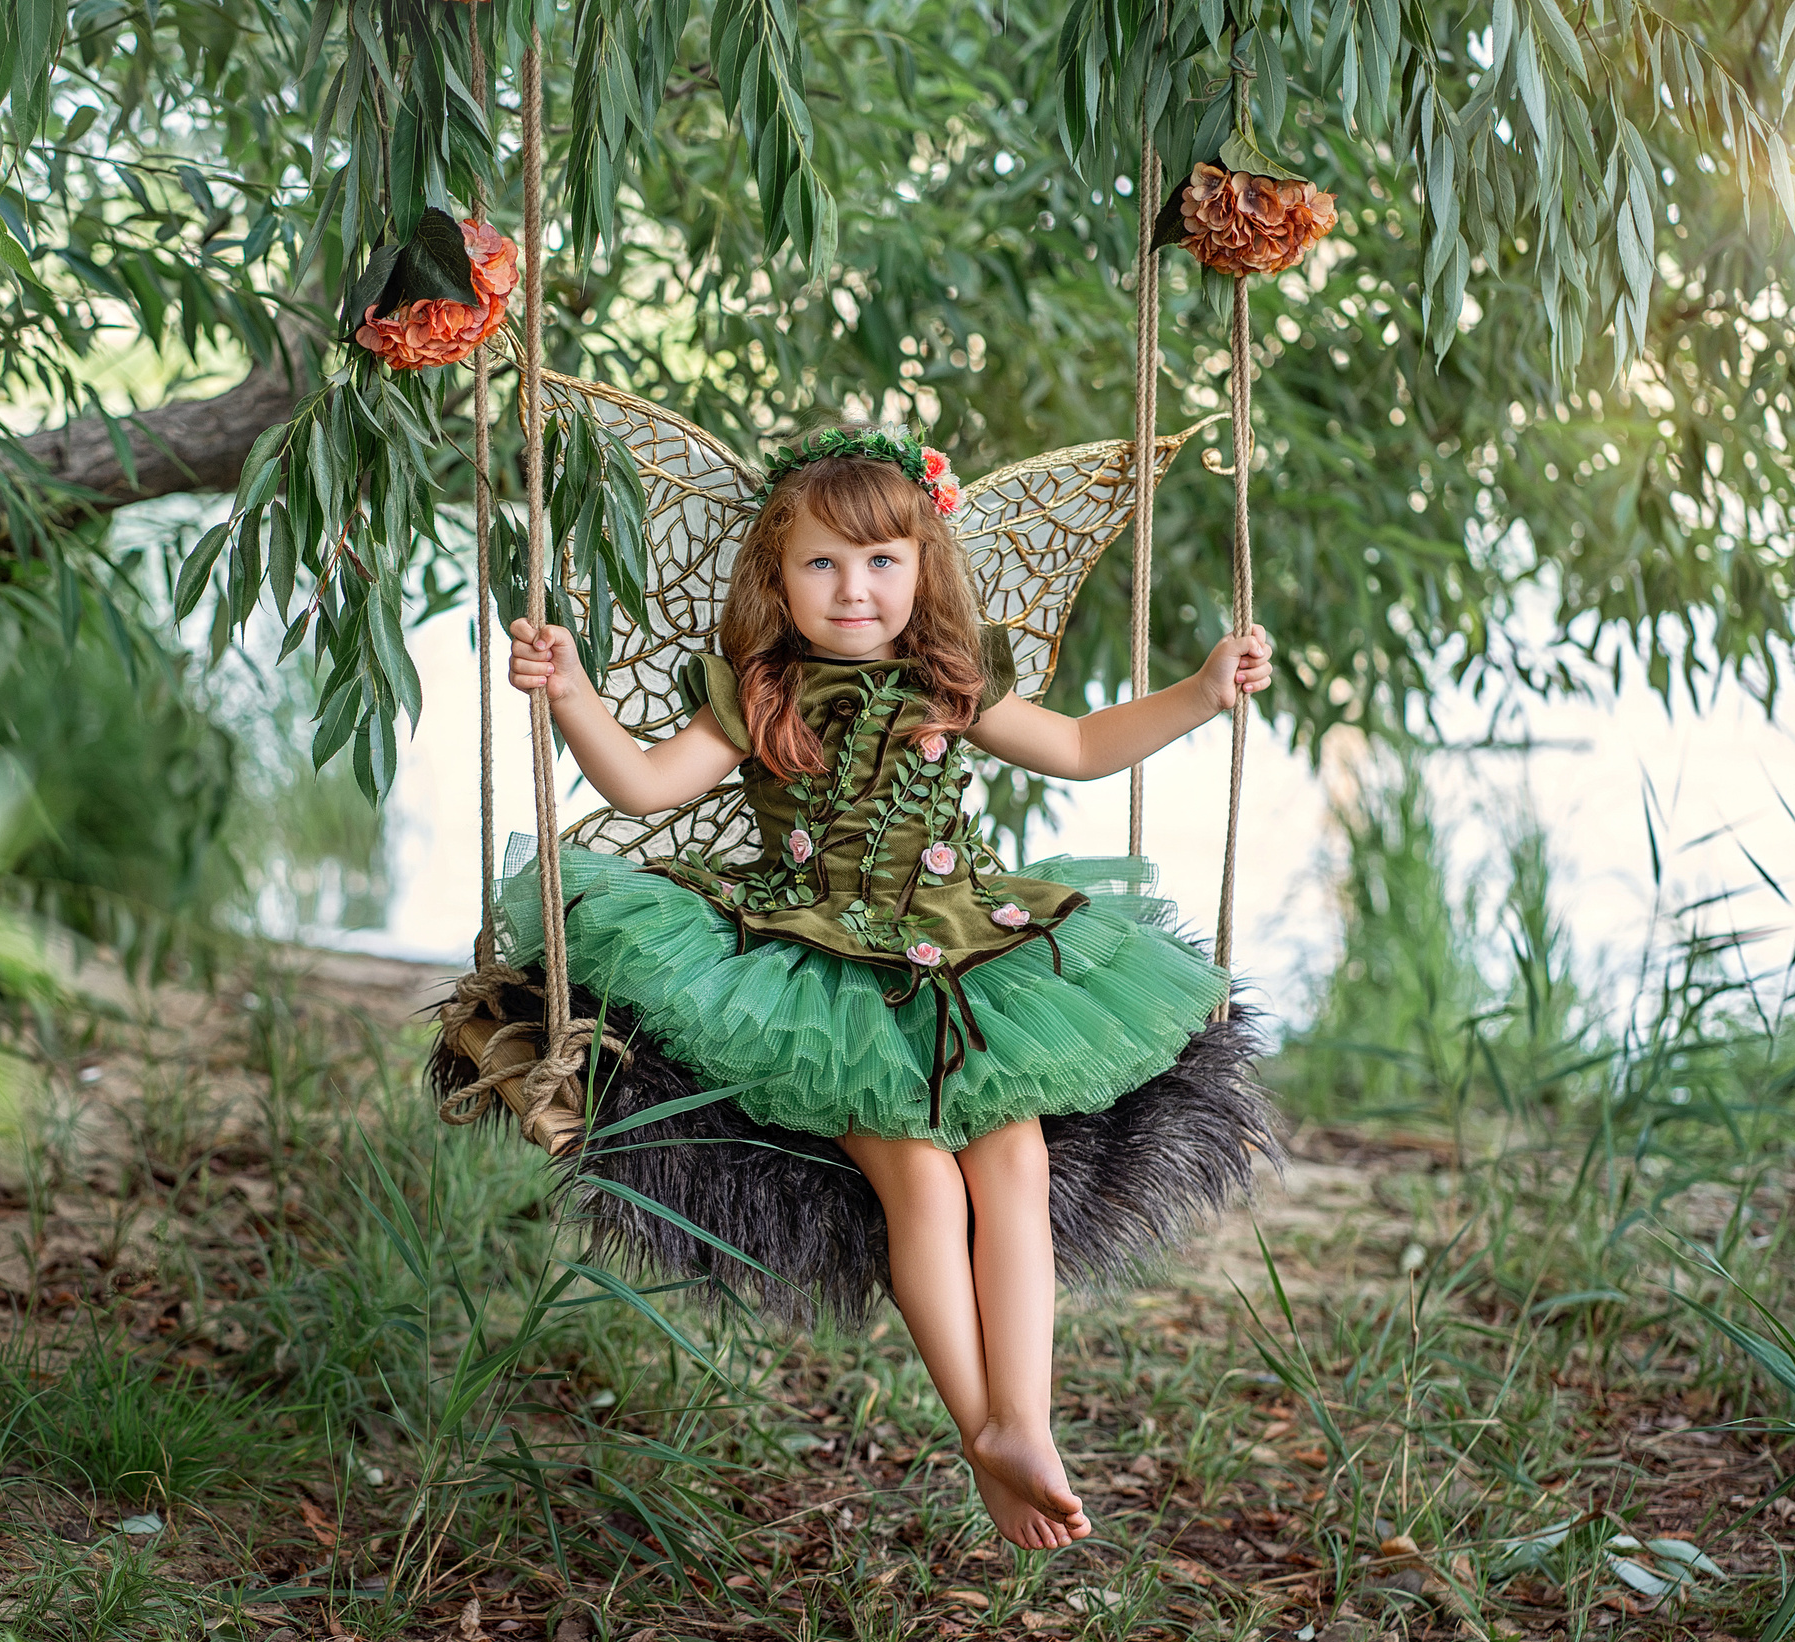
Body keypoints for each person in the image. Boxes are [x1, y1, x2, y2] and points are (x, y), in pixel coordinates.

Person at [497, 436, 1273, 1551]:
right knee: (920, 1183)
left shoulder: (948, 680)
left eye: (878, 562)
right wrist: (566, 692)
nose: (852, 591)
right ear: (776, 578)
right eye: (820, 566)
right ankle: (985, 1431)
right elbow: (641, 784)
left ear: (923, 569)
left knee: (1014, 1158)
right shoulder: (756, 691)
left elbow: (1083, 745)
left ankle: (1024, 1419)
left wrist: (1200, 694)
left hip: (964, 959)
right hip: (819, 976)